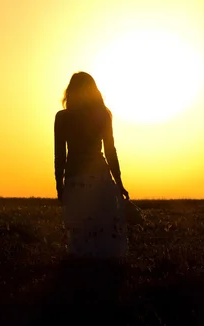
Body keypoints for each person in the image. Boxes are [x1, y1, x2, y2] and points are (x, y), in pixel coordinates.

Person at [54, 71, 129, 259]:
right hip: (101, 178)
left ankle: (83, 275)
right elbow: (110, 151)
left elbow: (60, 155)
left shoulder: (63, 117)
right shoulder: (103, 115)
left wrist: (59, 183)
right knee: (104, 230)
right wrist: (119, 183)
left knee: (80, 233)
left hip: (74, 178)